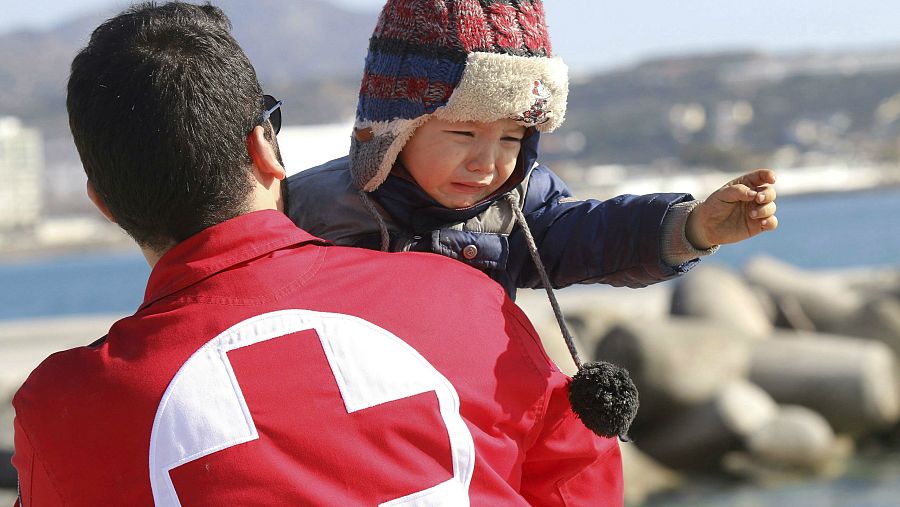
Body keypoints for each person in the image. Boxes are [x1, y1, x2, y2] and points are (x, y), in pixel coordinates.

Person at [12, 2, 628, 506]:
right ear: (266, 148)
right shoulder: (466, 300)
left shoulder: (61, 411)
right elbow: (575, 479)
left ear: (103, 203)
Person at [285, 0, 779, 301]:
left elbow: (593, 236)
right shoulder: (307, 209)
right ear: (395, 129)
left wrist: (692, 227)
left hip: (466, 427)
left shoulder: (520, 207)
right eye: (463, 134)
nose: (487, 162)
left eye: (511, 139)